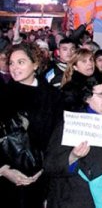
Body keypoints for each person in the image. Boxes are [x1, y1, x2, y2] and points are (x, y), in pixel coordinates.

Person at [45, 75, 102, 208]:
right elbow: (50, 164)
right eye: (101, 94)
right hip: (80, 199)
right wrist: (72, 156)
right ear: (87, 98)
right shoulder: (73, 124)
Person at [3, 43, 62, 207]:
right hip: (7, 179)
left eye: (20, 62)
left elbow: (57, 136)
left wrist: (44, 168)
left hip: (43, 177)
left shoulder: (53, 96)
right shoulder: (3, 96)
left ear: (35, 63)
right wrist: (4, 170)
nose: (14, 67)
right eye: (11, 63)